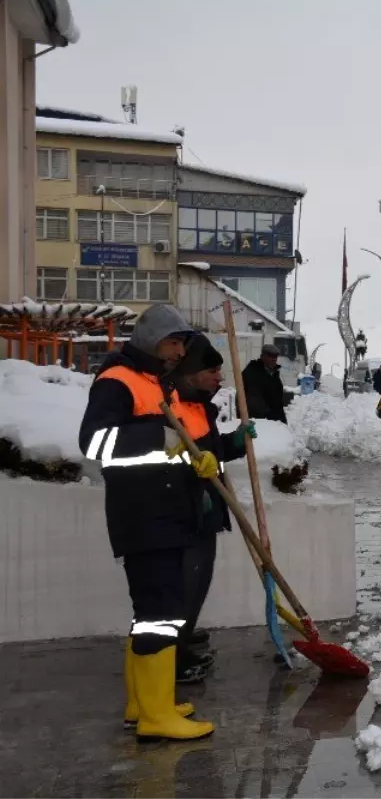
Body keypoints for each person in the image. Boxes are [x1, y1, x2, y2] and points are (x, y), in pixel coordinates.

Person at [77, 304, 216, 742]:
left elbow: (172, 446)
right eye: (176, 343)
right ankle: (157, 717)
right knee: (162, 614)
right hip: (144, 518)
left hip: (166, 512)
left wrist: (196, 459)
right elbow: (95, 445)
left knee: (152, 615)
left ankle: (145, 704)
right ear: (156, 340)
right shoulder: (118, 382)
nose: (179, 352)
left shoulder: (158, 384)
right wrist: (162, 438)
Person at [167, 335, 256, 684]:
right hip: (182, 514)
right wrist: (192, 479)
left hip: (202, 511)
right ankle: (173, 658)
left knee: (197, 584)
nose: (220, 378)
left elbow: (211, 449)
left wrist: (235, 441)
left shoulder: (199, 405)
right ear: (191, 373)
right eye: (213, 370)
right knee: (184, 588)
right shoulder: (171, 406)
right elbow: (165, 458)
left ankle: (183, 641)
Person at [241, 344, 291, 423]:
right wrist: (269, 415)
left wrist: (282, 421)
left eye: (275, 356)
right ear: (263, 356)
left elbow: (278, 403)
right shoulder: (252, 372)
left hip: (274, 422)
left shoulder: (274, 375)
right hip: (257, 421)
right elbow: (252, 398)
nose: (273, 359)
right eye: (270, 356)